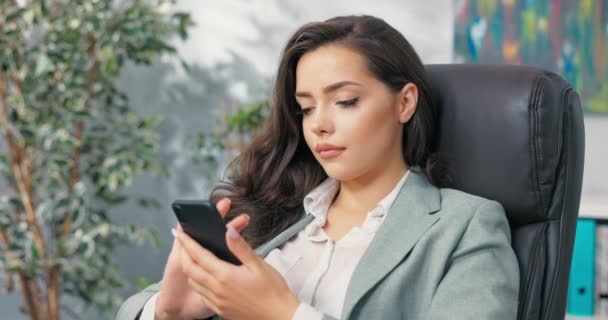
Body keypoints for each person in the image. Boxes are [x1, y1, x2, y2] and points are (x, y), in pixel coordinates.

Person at [116, 14, 520, 320]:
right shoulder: (274, 210)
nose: (319, 124)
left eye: (345, 101)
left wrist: (283, 312)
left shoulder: (464, 227)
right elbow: (132, 309)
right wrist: (167, 311)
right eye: (306, 107)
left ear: (405, 103)